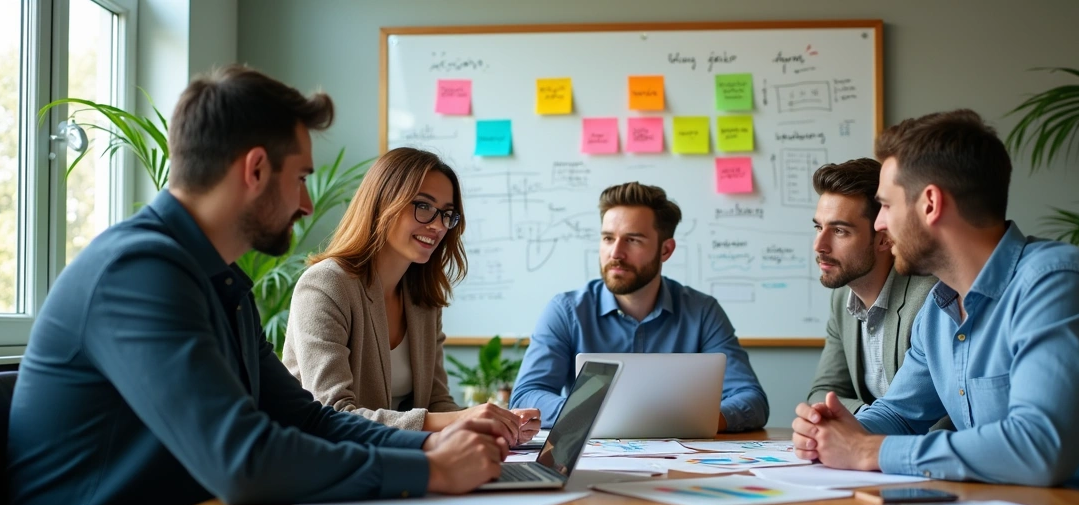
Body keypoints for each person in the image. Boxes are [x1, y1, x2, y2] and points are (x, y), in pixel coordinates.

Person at [6, 65, 511, 505]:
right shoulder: (136, 272)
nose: (308, 204)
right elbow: (243, 459)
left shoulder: (220, 282)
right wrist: (430, 469)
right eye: (302, 178)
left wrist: (429, 445)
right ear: (255, 169)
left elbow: (310, 419)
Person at [791, 109, 1079, 505]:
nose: (879, 224)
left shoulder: (1056, 283)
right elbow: (899, 414)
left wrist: (869, 451)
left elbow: (1038, 449)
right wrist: (831, 430)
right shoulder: (938, 310)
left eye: (886, 205)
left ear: (930, 204)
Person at [282, 147, 539, 445]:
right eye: (423, 206)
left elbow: (438, 403)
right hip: (326, 463)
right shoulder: (326, 285)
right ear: (382, 203)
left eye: (447, 214)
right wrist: (462, 419)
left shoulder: (423, 300)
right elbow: (333, 415)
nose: (438, 225)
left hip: (395, 459)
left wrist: (496, 425)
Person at [510, 182, 769, 432]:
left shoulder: (702, 312)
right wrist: (601, 414)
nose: (615, 253)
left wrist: (697, 421)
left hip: (680, 463)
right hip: (591, 461)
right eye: (608, 238)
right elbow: (526, 396)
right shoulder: (566, 311)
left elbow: (751, 399)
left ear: (665, 250)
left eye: (632, 240)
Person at [806, 158, 951, 432]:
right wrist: (863, 420)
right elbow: (822, 393)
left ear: (884, 238)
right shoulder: (842, 300)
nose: (819, 245)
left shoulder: (929, 298)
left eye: (839, 231)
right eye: (818, 227)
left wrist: (856, 428)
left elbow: (939, 414)